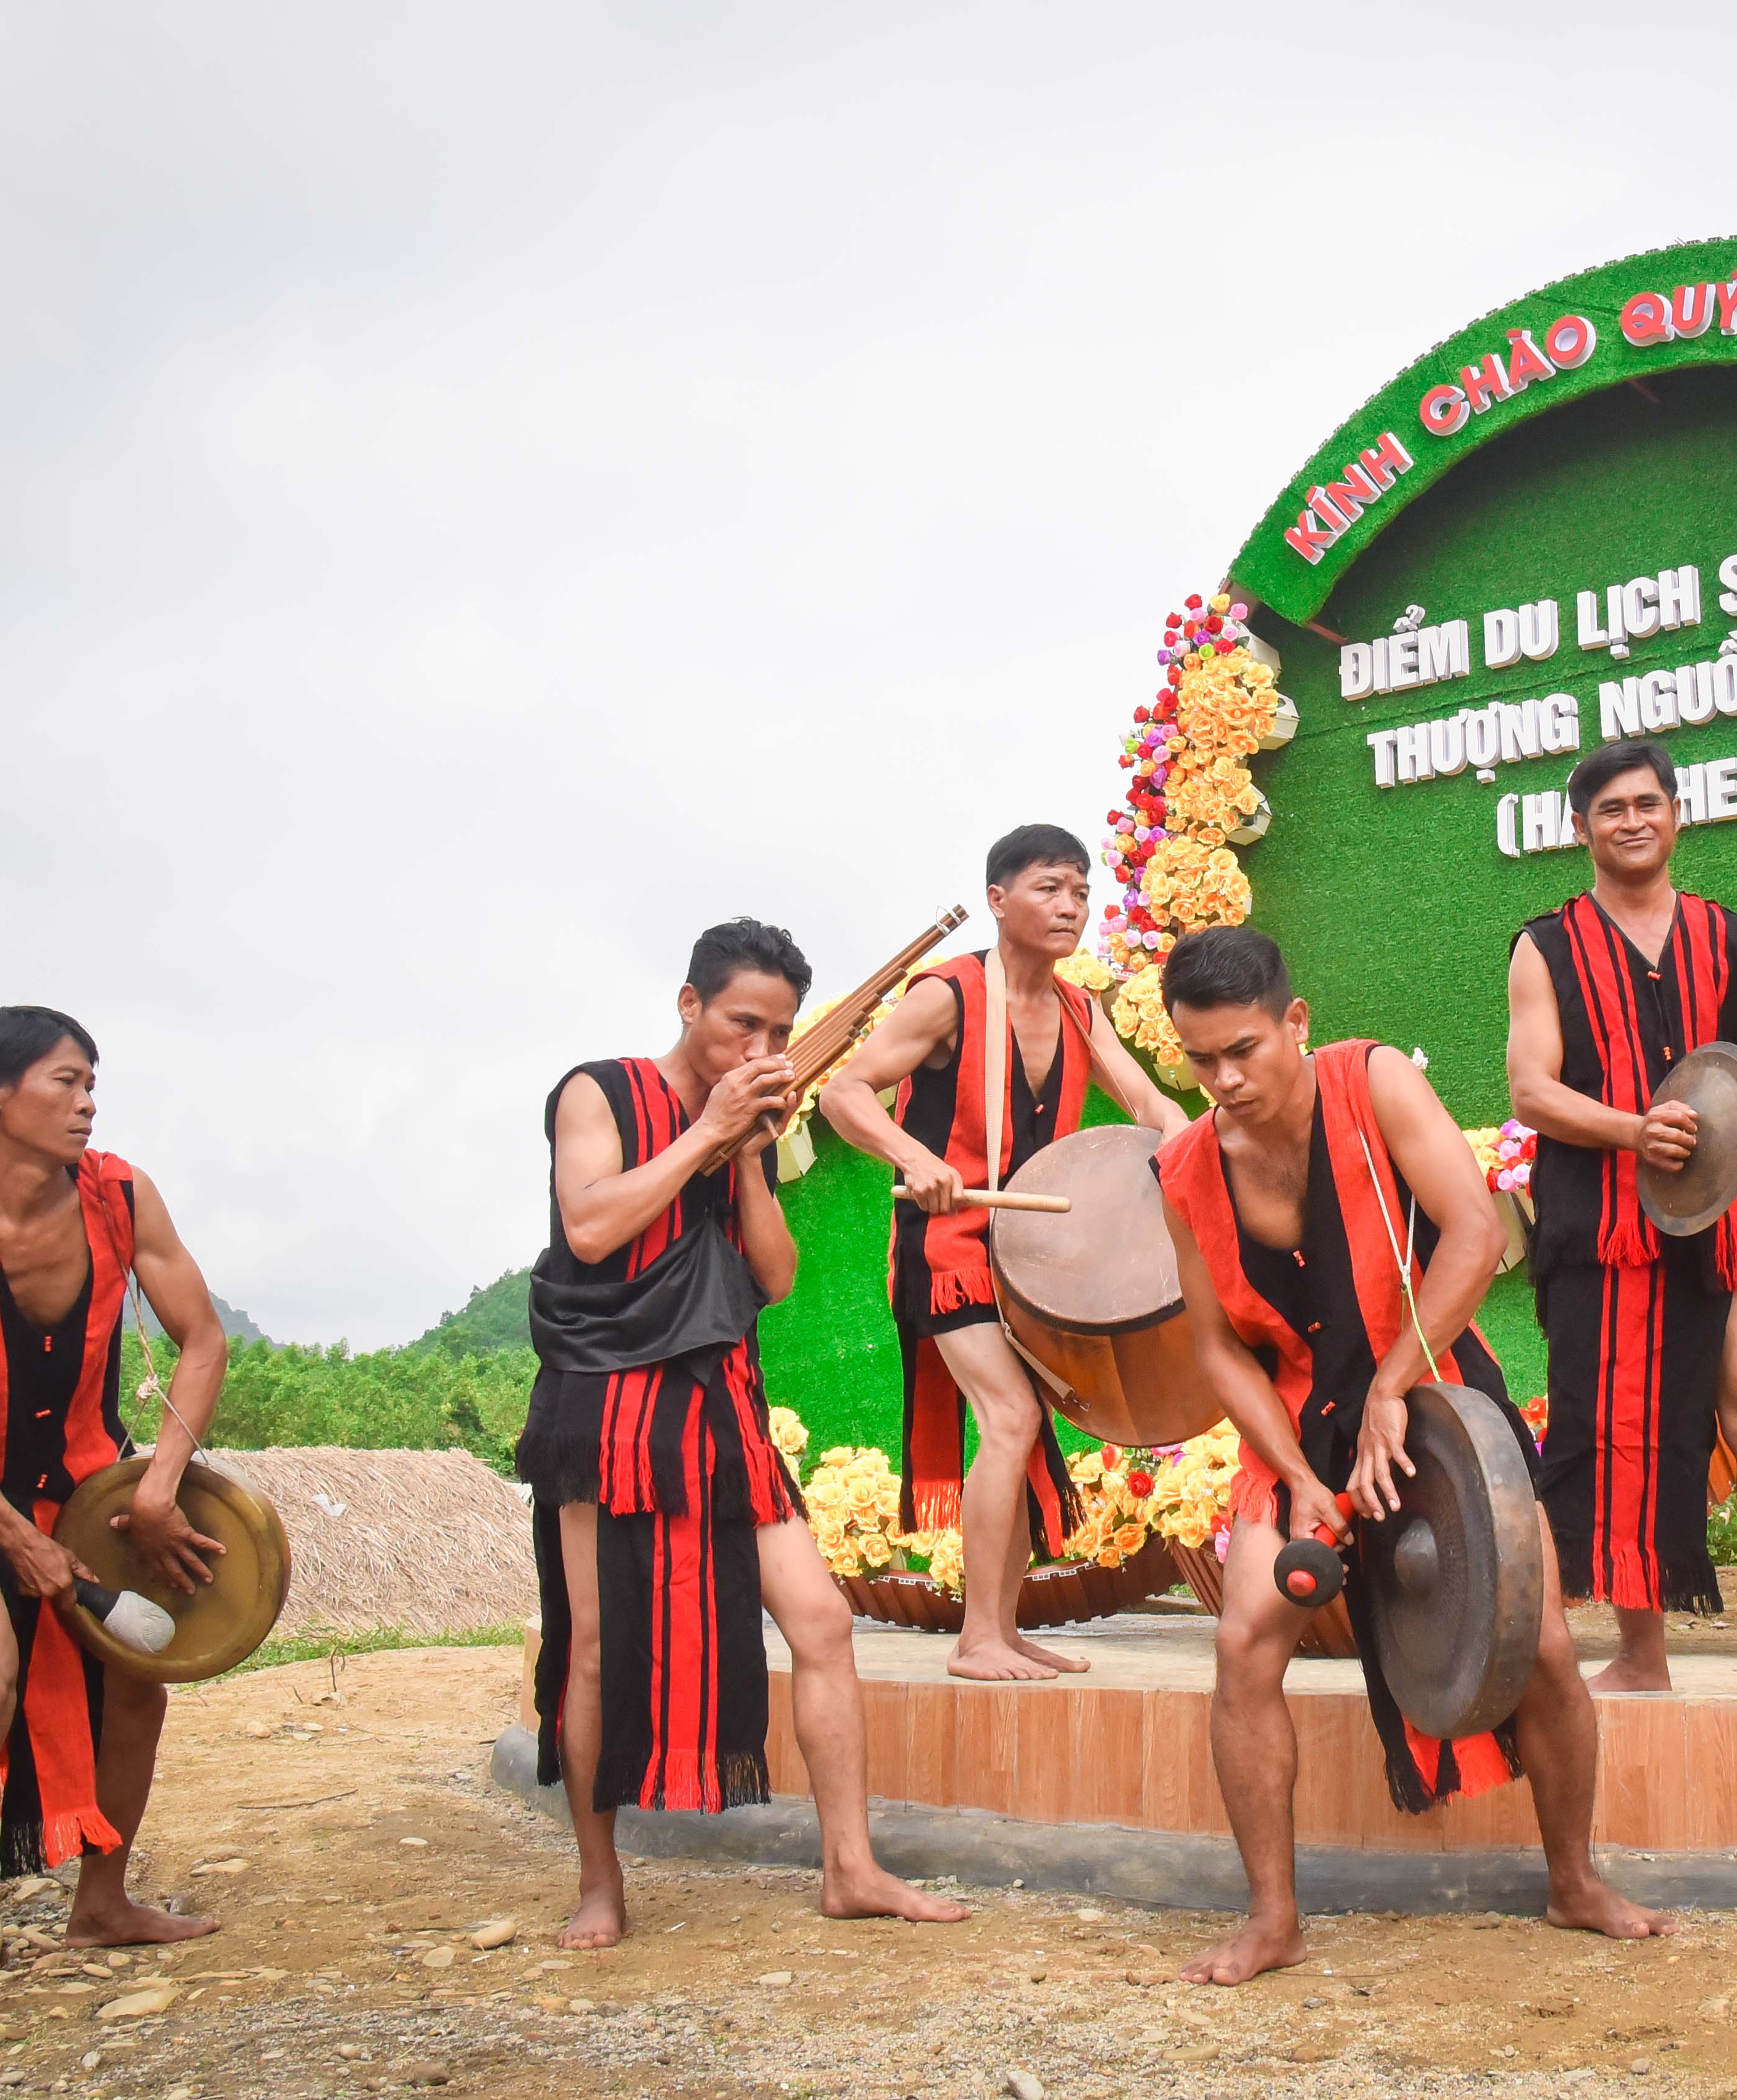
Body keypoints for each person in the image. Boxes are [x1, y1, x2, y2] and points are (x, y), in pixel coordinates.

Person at [1151, 926, 1672, 1985]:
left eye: (1243, 1049)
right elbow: (1216, 1345)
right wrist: (1298, 1477)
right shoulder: (1184, 1166)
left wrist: (1394, 1383)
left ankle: (1573, 1881)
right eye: (1199, 1060)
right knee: (1246, 1637)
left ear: (1295, 1021)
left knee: (1547, 1651)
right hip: (1299, 1419)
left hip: (1433, 1388)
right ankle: (1273, 1920)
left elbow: (1475, 1232)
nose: (1224, 1079)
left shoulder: (1374, 1078)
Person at [518, 918, 966, 1946]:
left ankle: (850, 1867)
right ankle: (599, 1882)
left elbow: (773, 1278)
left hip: (720, 1402)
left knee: (821, 1622)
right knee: (592, 1651)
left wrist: (751, 1156)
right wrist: (705, 1134)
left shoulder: (747, 1121)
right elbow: (590, 1226)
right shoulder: (601, 1090)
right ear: (690, 1006)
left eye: (778, 1033)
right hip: (609, 1407)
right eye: (740, 1026)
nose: (759, 1052)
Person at [0, 1007, 234, 2027]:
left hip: (90, 1488)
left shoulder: (119, 1196)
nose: (88, 1102)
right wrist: (15, 1537)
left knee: (139, 1686)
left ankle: (102, 1904)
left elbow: (202, 1341)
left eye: (91, 1083)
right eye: (66, 1082)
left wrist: (157, 1483)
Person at [1505, 737, 1737, 1694]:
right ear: (1579, 829)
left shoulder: (1731, 936)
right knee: (1625, 1430)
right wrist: (1632, 1131)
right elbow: (1531, 1091)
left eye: (1647, 803)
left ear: (1676, 814)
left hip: (1724, 1223)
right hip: (1603, 1230)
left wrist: (1723, 1138)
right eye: (1611, 808)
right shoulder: (1544, 945)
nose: (1632, 820)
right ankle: (1640, 1657)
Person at [823, 823, 1189, 1682]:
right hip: (944, 1241)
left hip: (1030, 1250)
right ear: (997, 900)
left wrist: (1194, 1156)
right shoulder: (947, 994)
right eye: (1047, 889)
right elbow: (846, 1093)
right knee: (1012, 1418)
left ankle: (1002, 1626)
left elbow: (1144, 1102)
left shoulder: (1078, 1009)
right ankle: (977, 1639)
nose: (1070, 907)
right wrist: (915, 1159)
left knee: (1023, 1436)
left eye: (1079, 891)